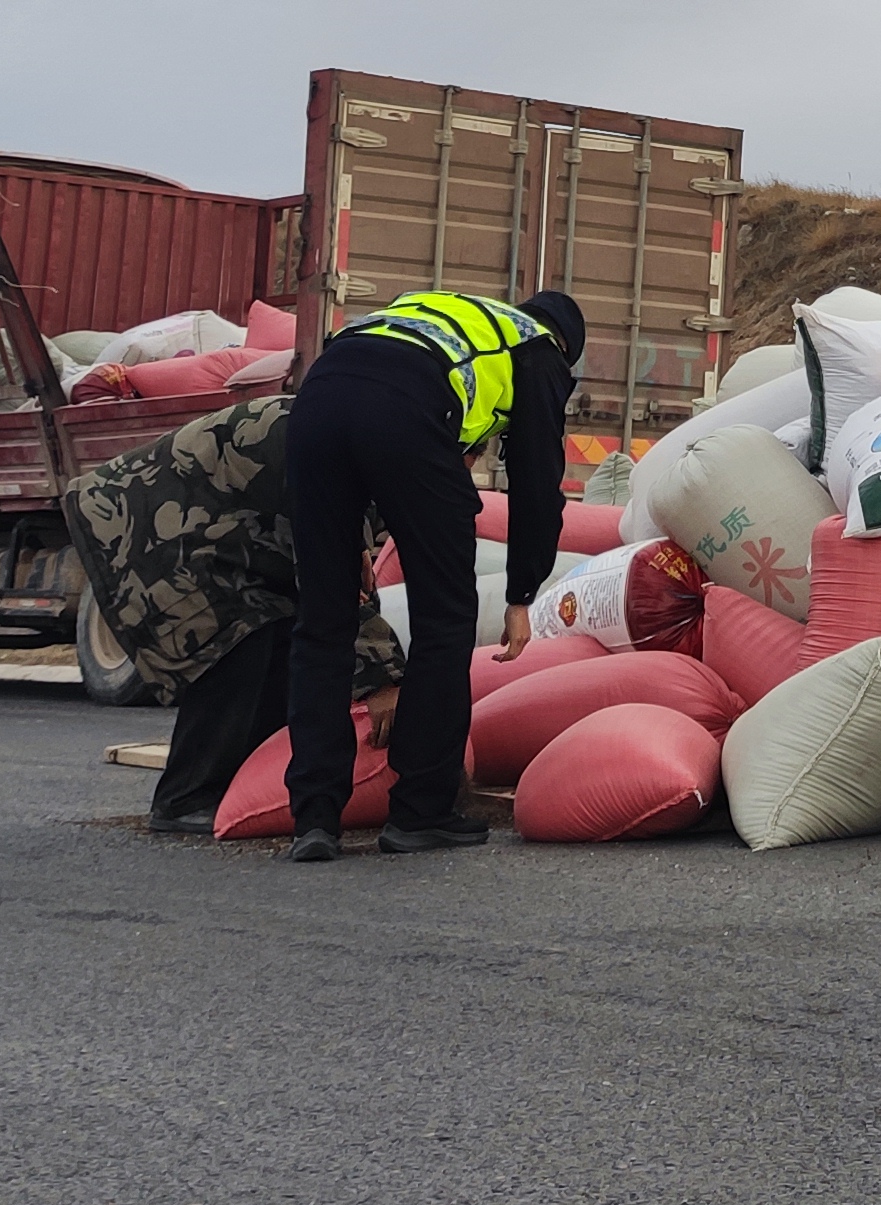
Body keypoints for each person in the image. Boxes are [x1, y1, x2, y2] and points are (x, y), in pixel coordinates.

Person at [282, 287, 586, 861]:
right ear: (566, 344)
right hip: (401, 414)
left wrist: (354, 541)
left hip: (315, 403)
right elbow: (536, 485)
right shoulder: (539, 349)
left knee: (323, 621)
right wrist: (522, 591)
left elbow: (368, 407)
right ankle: (421, 811)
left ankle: (314, 818)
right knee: (444, 619)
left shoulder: (447, 315)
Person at [57, 393, 404, 835]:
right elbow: (331, 579)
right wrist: (383, 678)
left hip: (223, 533)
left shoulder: (362, 429)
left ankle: (245, 782)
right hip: (153, 524)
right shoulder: (340, 445)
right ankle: (185, 798)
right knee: (233, 639)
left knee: (280, 632)